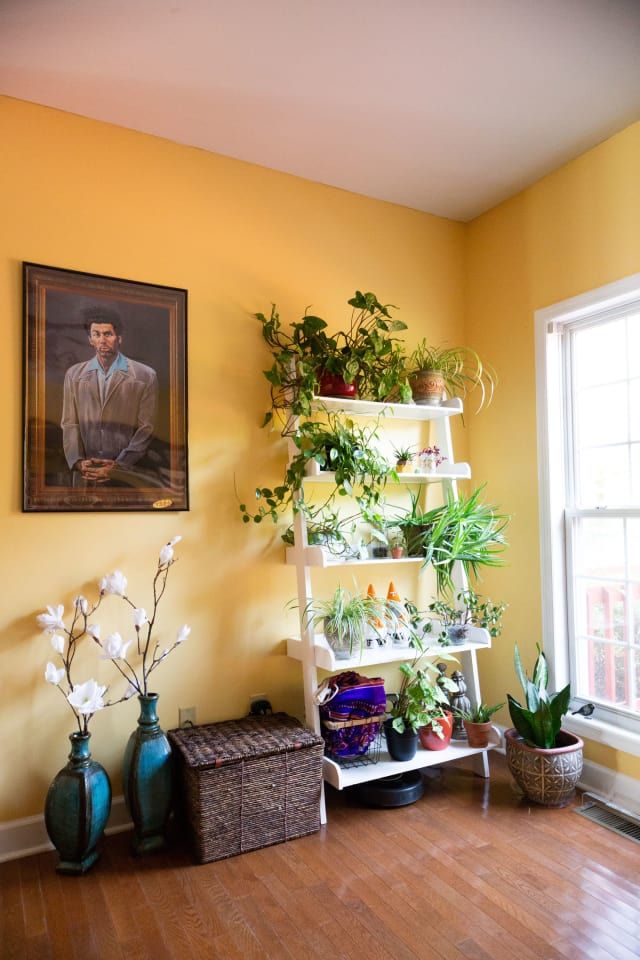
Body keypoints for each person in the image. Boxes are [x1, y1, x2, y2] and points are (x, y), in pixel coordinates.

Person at [61, 306, 158, 486]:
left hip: (127, 476)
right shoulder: (74, 374)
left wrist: (120, 465)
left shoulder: (145, 375)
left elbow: (147, 428)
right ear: (90, 340)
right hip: (85, 474)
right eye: (96, 334)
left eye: (108, 334)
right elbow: (69, 423)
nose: (102, 340)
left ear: (119, 338)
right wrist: (78, 462)